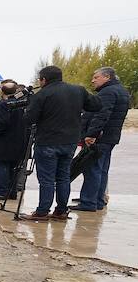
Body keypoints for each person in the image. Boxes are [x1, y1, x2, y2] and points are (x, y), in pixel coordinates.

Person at [21, 66, 101, 221]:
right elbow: (96, 105)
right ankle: (61, 210)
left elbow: (29, 120)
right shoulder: (78, 90)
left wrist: (29, 108)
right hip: (70, 141)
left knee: (47, 179)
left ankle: (42, 211)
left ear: (43, 79)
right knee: (63, 177)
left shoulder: (42, 94)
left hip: (47, 142)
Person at [72, 67, 130, 212]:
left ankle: (89, 202)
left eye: (96, 77)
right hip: (110, 136)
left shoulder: (108, 92)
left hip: (100, 137)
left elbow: (102, 114)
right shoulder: (121, 90)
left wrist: (92, 134)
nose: (93, 80)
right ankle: (97, 200)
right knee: (102, 170)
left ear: (107, 77)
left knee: (92, 169)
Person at [0, 81, 28, 200]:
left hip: (4, 141)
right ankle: (11, 191)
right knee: (13, 168)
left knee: (2, 166)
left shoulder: (4, 104)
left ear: (2, 91)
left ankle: (2, 191)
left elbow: (3, 122)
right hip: (17, 140)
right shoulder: (20, 104)